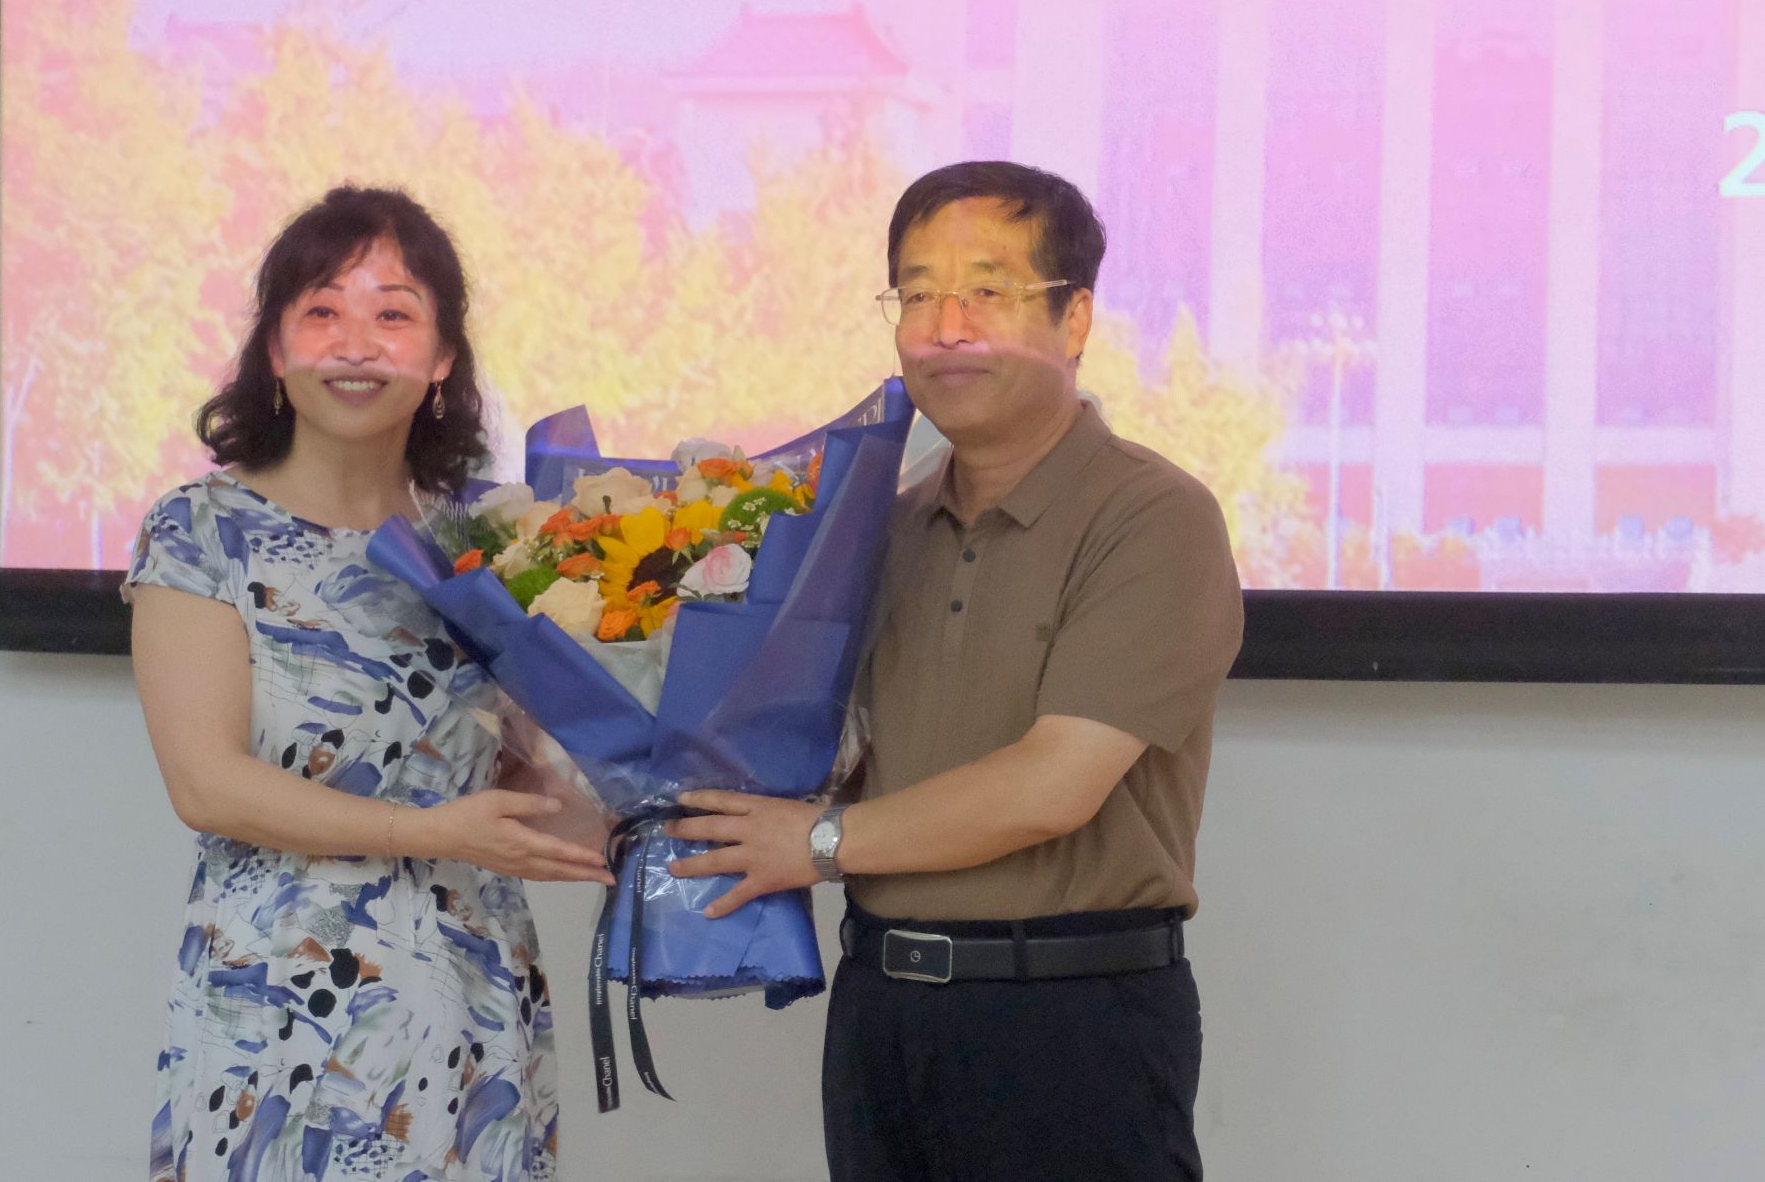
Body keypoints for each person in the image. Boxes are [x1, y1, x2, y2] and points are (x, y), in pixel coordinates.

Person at [668, 160, 1244, 1180]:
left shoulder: (1152, 518)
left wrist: (817, 842)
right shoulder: (880, 529)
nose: (945, 327)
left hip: (1067, 1021)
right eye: (918, 293)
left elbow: (1054, 782)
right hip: (881, 1014)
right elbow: (828, 750)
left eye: (987, 290)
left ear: (1074, 318)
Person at [125, 185, 613, 1182]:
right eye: (321, 311)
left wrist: (659, 802)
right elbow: (206, 785)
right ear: (274, 349)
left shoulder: (484, 540)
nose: (356, 343)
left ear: (441, 359)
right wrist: (432, 831)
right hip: (281, 999)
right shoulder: (202, 529)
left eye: (393, 313)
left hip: (469, 991)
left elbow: (527, 774)